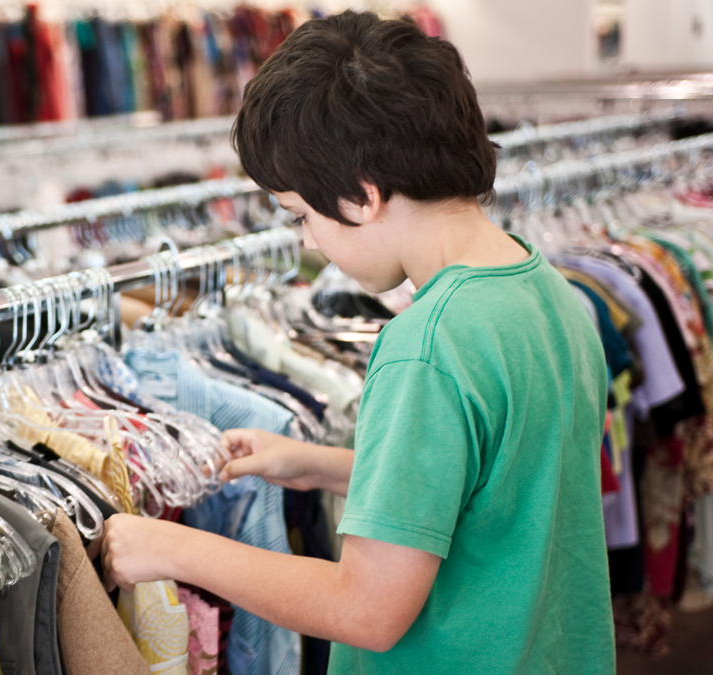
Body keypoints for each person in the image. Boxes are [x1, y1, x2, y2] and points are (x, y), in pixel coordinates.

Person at [99, 10, 615, 674]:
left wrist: (171, 548)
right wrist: (323, 465)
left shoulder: (426, 347)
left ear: (362, 196)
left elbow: (367, 608)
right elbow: (497, 481)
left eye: (301, 215)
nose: (310, 241)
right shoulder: (544, 291)